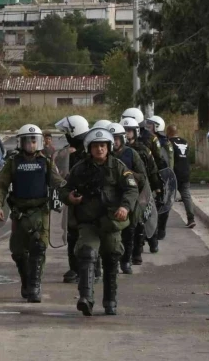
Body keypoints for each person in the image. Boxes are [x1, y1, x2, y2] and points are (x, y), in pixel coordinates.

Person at [61, 128, 137, 316]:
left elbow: (131, 190)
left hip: (111, 223)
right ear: (89, 148)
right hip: (88, 222)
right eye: (95, 146)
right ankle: (86, 298)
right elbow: (65, 189)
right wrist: (69, 197)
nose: (99, 149)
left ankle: (110, 300)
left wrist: (125, 207)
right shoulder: (79, 168)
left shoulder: (119, 168)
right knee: (86, 254)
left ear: (109, 147)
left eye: (103, 145)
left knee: (111, 259)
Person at [0, 124, 65, 302]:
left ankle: (35, 286)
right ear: (21, 142)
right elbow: (1, 185)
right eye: (28, 141)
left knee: (38, 247)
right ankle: (26, 280)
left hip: (40, 212)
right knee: (18, 252)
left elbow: (57, 182)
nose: (31, 145)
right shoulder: (13, 162)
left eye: (34, 141)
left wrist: (69, 191)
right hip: (20, 213)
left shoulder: (46, 162)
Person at [108, 122, 148, 275]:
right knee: (110, 232)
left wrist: (127, 174)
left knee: (129, 231)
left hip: (130, 197)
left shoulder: (131, 154)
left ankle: (126, 261)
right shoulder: (104, 154)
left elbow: (142, 177)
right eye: (112, 138)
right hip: (111, 199)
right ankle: (111, 262)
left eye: (117, 138)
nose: (115, 141)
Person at [55, 115, 90, 284]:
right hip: (72, 200)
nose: (66, 136)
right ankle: (74, 268)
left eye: (68, 132)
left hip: (89, 201)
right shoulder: (70, 151)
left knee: (89, 234)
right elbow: (62, 172)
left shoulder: (89, 150)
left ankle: (94, 268)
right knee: (71, 234)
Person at [121, 117, 161, 257]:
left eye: (129, 131)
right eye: (124, 130)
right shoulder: (119, 150)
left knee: (148, 216)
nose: (127, 133)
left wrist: (157, 188)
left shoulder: (143, 149)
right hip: (126, 189)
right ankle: (134, 251)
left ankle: (153, 242)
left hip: (144, 187)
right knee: (132, 222)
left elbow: (153, 169)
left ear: (136, 131)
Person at [167, 124, 195, 228]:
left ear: (168, 132)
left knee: (167, 196)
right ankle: (191, 219)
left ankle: (161, 220)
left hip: (174, 173)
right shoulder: (185, 142)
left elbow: (168, 158)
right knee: (186, 195)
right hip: (186, 172)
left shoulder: (169, 143)